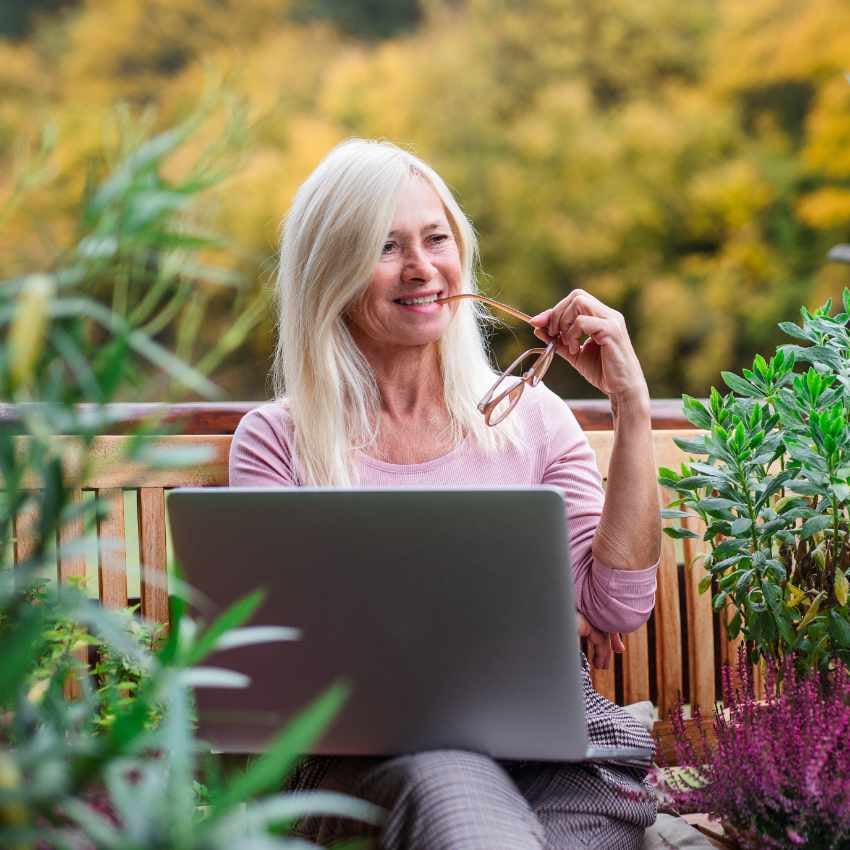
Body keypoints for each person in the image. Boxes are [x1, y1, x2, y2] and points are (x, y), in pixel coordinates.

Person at [229, 139, 661, 850]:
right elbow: (273, 663)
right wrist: (530, 617)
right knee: (455, 787)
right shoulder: (278, 441)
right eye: (386, 247)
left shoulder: (533, 418)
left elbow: (615, 606)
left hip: (559, 759)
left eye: (436, 239)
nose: (422, 268)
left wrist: (631, 405)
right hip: (371, 767)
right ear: (330, 270)